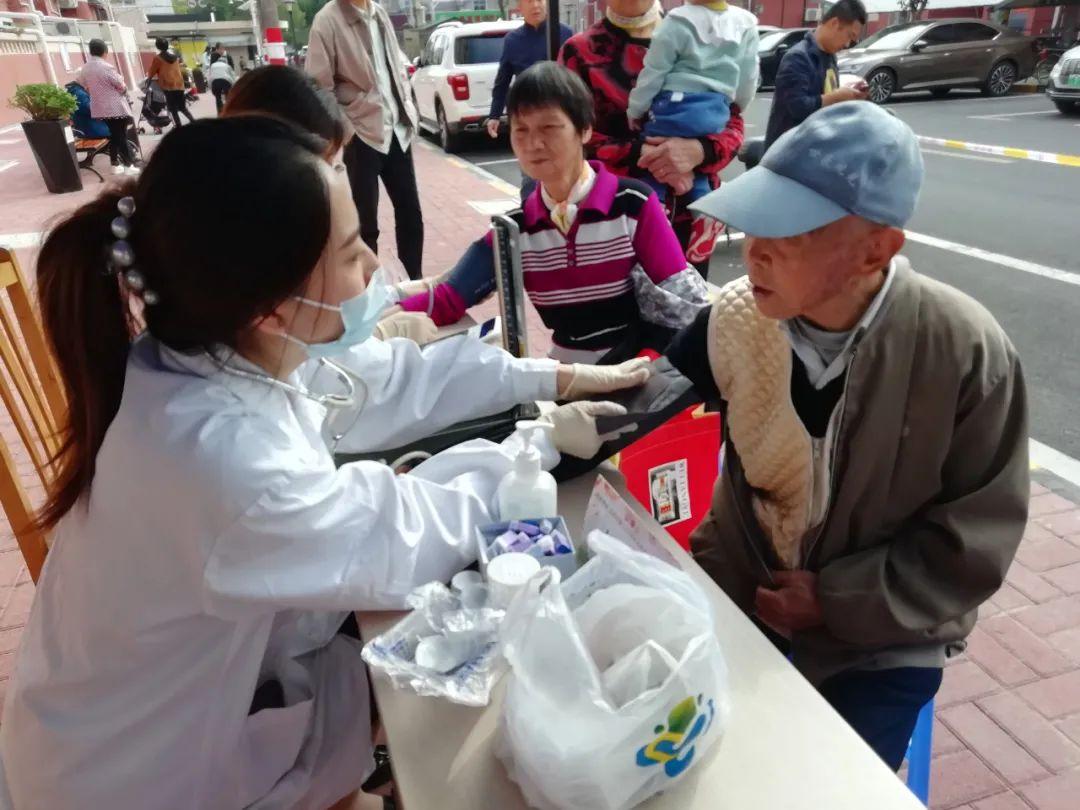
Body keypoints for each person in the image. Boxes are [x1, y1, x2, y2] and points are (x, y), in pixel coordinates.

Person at [0, 115, 647, 808]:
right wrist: (535, 449)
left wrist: (546, 381)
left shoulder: (207, 355)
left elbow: (382, 381)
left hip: (121, 720)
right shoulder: (223, 460)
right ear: (270, 308)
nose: (373, 265)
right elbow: (401, 539)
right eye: (349, 252)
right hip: (140, 778)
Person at [566, 102, 1030, 771]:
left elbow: (971, 544)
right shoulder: (736, 316)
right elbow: (638, 398)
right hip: (743, 578)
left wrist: (837, 600)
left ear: (876, 248)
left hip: (883, 632)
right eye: (756, 221)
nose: (755, 250)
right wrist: (548, 432)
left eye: (790, 232)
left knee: (821, 780)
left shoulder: (963, 354)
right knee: (681, 756)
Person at [396, 63, 711, 363]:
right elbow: (451, 298)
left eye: (549, 127)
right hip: (564, 379)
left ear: (585, 130)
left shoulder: (633, 204)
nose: (533, 143)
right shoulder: (515, 230)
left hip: (638, 376)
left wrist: (643, 366)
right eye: (520, 130)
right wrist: (377, 322)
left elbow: (682, 303)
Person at [223, 64, 439, 344]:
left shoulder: (259, 208)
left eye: (336, 165)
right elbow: (310, 350)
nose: (373, 266)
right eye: (326, 165)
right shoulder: (258, 241)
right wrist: (379, 336)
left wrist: (412, 291)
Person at [559, 0, 745, 274]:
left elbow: (733, 119)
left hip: (692, 222)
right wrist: (643, 154)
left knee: (689, 308)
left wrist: (701, 150)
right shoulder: (579, 52)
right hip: (617, 220)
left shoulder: (706, 35)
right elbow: (567, 139)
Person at [307, 0, 425, 281]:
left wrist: (408, 108)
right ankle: (368, 290)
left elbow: (394, 67)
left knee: (411, 214)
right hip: (362, 134)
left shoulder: (379, 12)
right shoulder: (327, 20)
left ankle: (415, 281)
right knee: (364, 222)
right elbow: (318, 87)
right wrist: (347, 130)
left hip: (397, 130)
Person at [626, 0, 758, 202]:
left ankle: (655, 204)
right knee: (697, 165)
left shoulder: (677, 20)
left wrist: (635, 110)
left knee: (652, 145)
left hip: (674, 106)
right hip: (715, 111)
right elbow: (749, 75)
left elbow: (653, 73)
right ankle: (700, 201)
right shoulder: (746, 23)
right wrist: (739, 104)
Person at [764, 0, 868, 151]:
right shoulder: (798, 57)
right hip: (788, 154)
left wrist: (848, 96)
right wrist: (836, 97)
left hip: (816, 148)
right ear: (834, 23)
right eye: (849, 36)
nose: (847, 44)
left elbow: (826, 94)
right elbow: (798, 108)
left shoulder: (830, 57)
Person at [485, 0, 573, 140]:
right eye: (529, 1)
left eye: (540, 0)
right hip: (528, 115)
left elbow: (578, 78)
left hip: (561, 112)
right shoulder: (512, 41)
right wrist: (494, 115)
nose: (535, 5)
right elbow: (502, 81)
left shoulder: (565, 34)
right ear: (520, 7)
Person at [76, 39, 138, 177]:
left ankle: (115, 164)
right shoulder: (106, 67)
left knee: (114, 135)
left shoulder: (85, 68)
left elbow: (82, 83)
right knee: (120, 135)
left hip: (100, 108)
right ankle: (128, 165)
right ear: (105, 52)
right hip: (115, 107)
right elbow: (121, 86)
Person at [148, 37, 196, 128]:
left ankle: (179, 127)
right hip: (179, 85)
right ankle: (194, 122)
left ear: (157, 47)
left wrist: (149, 79)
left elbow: (151, 72)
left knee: (173, 109)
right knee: (183, 108)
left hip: (168, 87)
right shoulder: (175, 58)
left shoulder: (157, 58)